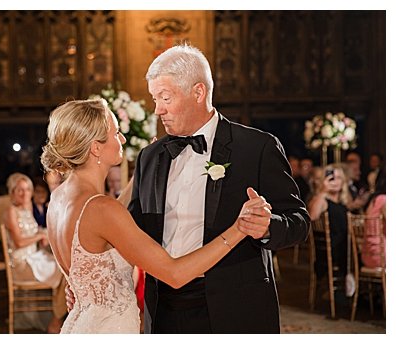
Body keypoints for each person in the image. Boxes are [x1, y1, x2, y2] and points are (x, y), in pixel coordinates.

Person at [42, 99, 268, 333]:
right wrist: (238, 229)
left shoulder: (60, 199)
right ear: (95, 148)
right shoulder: (102, 209)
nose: (122, 139)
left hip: (81, 324)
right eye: (116, 133)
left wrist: (141, 173)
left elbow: (97, 231)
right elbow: (174, 273)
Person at [127, 44, 308, 333]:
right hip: (163, 308)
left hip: (234, 305)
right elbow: (131, 232)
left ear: (198, 93)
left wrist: (267, 227)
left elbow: (299, 222)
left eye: (165, 97)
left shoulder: (256, 147)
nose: (157, 109)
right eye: (154, 98)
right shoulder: (151, 157)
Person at [0, 173, 62, 330]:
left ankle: (58, 317)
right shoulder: (11, 211)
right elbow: (19, 242)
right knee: (65, 273)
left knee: (66, 267)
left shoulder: (25, 210)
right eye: (19, 190)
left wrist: (42, 236)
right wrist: (40, 235)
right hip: (21, 263)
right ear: (12, 192)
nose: (24, 193)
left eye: (27, 189)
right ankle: (56, 320)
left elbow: (32, 234)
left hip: (33, 258)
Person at [308, 165, 352, 297]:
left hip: (345, 245)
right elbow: (312, 216)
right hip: (332, 249)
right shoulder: (322, 199)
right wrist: (323, 191)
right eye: (332, 178)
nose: (336, 181)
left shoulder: (344, 200)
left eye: (339, 178)